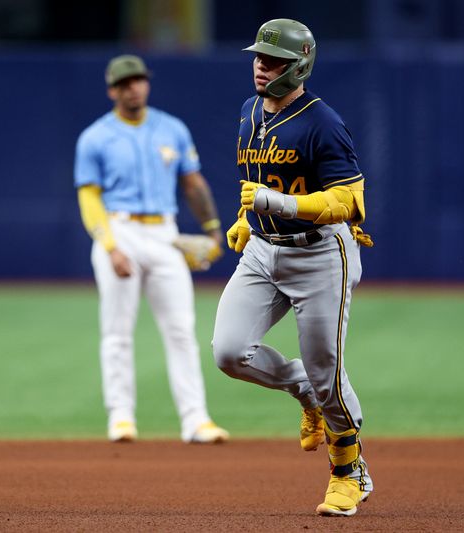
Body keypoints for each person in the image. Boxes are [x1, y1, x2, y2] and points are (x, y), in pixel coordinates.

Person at [211, 19, 375, 515]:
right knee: (229, 352)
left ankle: (350, 470)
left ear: (299, 64)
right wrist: (247, 216)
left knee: (329, 372)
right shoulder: (249, 112)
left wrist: (274, 204)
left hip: (321, 255)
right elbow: (258, 178)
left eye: (274, 59)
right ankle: (303, 389)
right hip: (264, 250)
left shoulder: (322, 121)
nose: (261, 66)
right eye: (258, 57)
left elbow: (350, 200)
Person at [74, 54, 229, 444]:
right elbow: (90, 198)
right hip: (119, 229)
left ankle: (196, 420)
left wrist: (212, 231)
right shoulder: (95, 137)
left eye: (139, 80)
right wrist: (109, 246)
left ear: (147, 83)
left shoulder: (171, 128)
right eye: (125, 83)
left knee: (181, 330)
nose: (134, 87)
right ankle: (121, 417)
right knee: (117, 332)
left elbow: (192, 183)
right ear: (112, 90)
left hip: (165, 234)